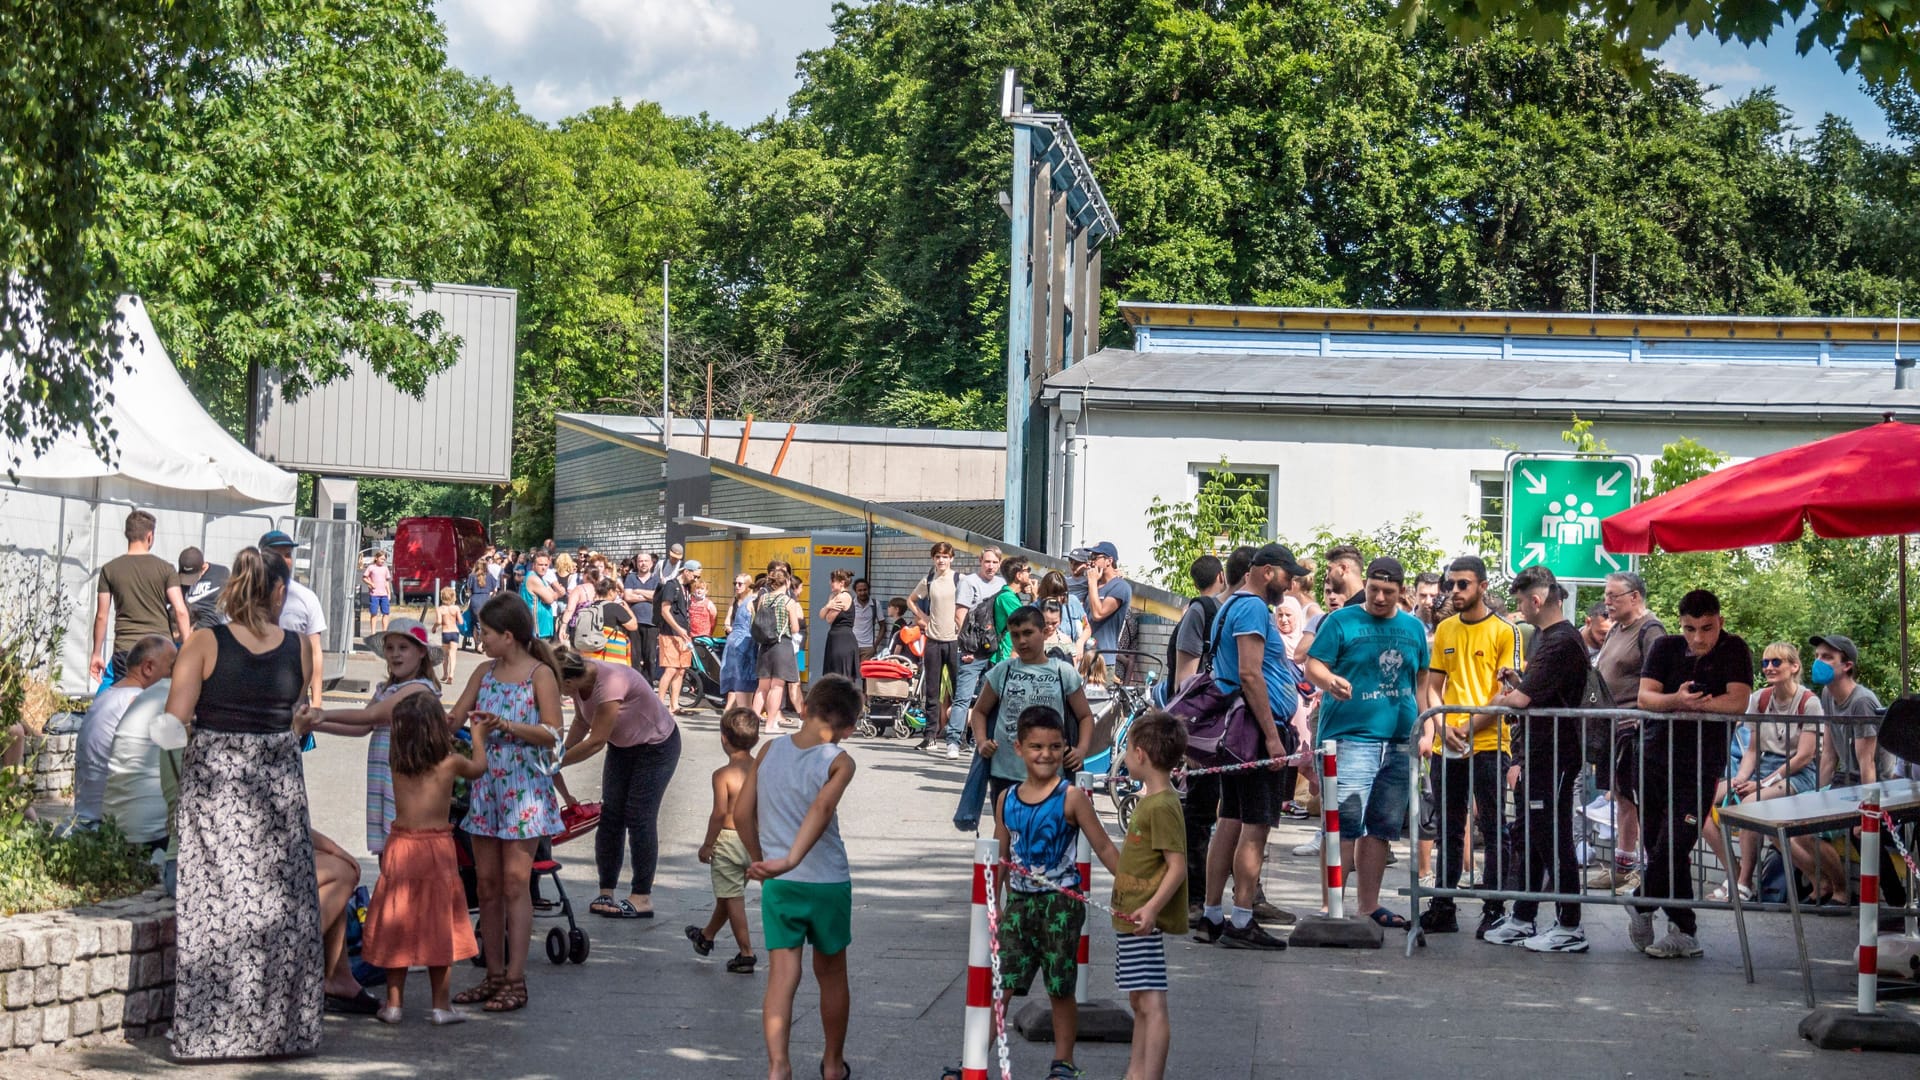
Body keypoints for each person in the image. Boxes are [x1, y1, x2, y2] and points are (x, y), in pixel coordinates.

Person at [163, 546, 324, 1059]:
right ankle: (282, 1030)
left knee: (214, 905)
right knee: (280, 905)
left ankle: (212, 1032)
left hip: (217, 784)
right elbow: (300, 710)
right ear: (279, 591)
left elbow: (172, 724)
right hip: (277, 783)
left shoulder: (205, 641)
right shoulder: (299, 645)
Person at [740, 675, 863, 1080]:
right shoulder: (839, 760)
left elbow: (741, 814)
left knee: (781, 975)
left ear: (804, 707)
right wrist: (792, 859)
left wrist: (764, 862)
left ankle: (778, 1066)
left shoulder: (769, 750)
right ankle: (832, 1064)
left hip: (779, 882)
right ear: (849, 728)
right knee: (832, 975)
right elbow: (822, 809)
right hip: (827, 881)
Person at [448, 592, 565, 1012]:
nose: (480, 639)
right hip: (484, 788)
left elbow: (554, 733)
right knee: (487, 885)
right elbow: (454, 718)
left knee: (517, 884)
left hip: (525, 791)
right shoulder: (483, 672)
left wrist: (507, 726)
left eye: (486, 632)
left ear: (509, 636)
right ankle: (492, 974)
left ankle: (516, 978)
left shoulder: (539, 675)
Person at [995, 706, 1122, 1078]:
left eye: (1054, 746)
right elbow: (1001, 854)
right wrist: (998, 903)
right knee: (1001, 984)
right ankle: (973, 1057)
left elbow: (1104, 847)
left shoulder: (1072, 798)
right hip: (1019, 904)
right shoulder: (1006, 799)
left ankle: (1064, 1062)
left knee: (1059, 986)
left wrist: (1133, 891)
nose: (1045, 754)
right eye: (1036, 746)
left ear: (1065, 747)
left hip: (1060, 905)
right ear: (1018, 748)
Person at [1192, 543, 1308, 951]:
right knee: (1255, 825)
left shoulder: (1231, 605)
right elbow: (1249, 673)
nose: (1290, 583)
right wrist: (1273, 738)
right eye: (1286, 575)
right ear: (1265, 571)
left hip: (1241, 730)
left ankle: (1211, 915)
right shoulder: (1254, 608)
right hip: (1256, 732)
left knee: (1231, 820)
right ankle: (1241, 919)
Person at [1304, 557, 1428, 930]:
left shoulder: (1413, 628)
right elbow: (1313, 665)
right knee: (1343, 823)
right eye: (1374, 589)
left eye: (1388, 592)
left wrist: (1427, 727)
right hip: (1349, 738)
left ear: (1401, 592)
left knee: (1382, 827)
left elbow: (1421, 679)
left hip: (1398, 740)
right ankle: (1333, 905)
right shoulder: (1341, 621)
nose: (1378, 597)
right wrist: (1329, 681)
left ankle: (1368, 905)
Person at [1628, 589, 1753, 960]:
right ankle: (1684, 929)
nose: (1698, 637)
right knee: (1659, 847)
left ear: (1720, 622)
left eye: (1707, 628)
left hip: (1701, 763)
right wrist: (1677, 701)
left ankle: (1641, 901)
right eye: (1690, 628)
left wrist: (1697, 706)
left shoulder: (1734, 649)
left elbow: (1738, 700)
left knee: (1677, 842)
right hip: (1652, 757)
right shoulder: (1664, 647)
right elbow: (1645, 698)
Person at [352, 693, 484, 1025]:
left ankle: (393, 1004)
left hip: (400, 846)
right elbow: (479, 769)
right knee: (439, 924)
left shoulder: (398, 762)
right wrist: (478, 737)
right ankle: (441, 1006)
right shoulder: (450, 762)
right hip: (437, 848)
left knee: (399, 922)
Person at [1482, 566, 1591, 953]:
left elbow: (1526, 700)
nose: (1520, 612)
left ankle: (1570, 926)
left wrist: (1499, 700)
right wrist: (1518, 684)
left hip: (1555, 753)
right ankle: (1524, 916)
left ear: (1537, 599)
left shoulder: (1561, 640)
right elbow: (1536, 690)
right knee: (1531, 832)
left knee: (1552, 835)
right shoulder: (1551, 639)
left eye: (1520, 604)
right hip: (1540, 751)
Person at [1417, 555, 1523, 937]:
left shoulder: (1504, 630)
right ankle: (1442, 904)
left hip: (1491, 743)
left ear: (1482, 586)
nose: (1455, 591)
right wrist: (1443, 725)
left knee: (1494, 827)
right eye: (1451, 584)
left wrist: (1467, 725)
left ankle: (1494, 907)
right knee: (1448, 825)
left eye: (1463, 584)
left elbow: (1504, 690)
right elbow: (1432, 685)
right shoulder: (1445, 629)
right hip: (1450, 745)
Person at [554, 646, 681, 920]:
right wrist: (561, 751)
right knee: (611, 815)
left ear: (567, 681)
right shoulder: (578, 679)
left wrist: (558, 763)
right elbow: (581, 720)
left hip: (656, 745)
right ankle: (606, 891)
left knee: (639, 816)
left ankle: (641, 897)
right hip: (623, 746)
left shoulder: (608, 682)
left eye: (556, 687)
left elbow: (596, 741)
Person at [301, 618, 440, 854]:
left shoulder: (420, 689)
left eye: (403, 648)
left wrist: (321, 714)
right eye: (390, 648)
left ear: (421, 652)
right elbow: (361, 727)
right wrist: (314, 725)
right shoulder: (386, 689)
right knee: (386, 848)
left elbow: (373, 715)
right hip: (382, 778)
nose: (395, 654)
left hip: (404, 778)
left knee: (403, 844)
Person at [1703, 642, 1820, 903]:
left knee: (1750, 805)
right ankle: (1732, 872)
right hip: (1764, 770)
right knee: (1701, 798)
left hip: (1796, 774)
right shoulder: (1759, 699)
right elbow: (1753, 751)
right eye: (1765, 662)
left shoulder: (1809, 703)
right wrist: (1741, 778)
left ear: (1794, 666)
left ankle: (1744, 883)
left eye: (1776, 662)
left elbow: (1804, 756)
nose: (1769, 667)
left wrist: (1762, 783)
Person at [1110, 709, 1189, 1080]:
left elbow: (1177, 866)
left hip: (1142, 919)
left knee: (1152, 1002)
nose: (1126, 757)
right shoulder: (1153, 801)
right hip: (1132, 917)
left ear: (1140, 754)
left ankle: (1147, 1074)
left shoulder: (1161, 806)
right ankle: (1136, 1071)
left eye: (1127, 749)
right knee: (1139, 998)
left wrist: (1152, 909)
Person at [968, 606, 1097, 809]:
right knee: (1007, 833)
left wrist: (1081, 750)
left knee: (1047, 834)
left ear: (1045, 632)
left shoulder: (1063, 672)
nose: (1022, 641)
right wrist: (982, 741)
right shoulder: (1003, 671)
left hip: (1051, 774)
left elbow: (1085, 717)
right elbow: (979, 712)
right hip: (1005, 773)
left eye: (1028, 633)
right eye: (1015, 635)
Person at [1587, 570, 1665, 895]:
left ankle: (1647, 872)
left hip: (1637, 732)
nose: (1607, 603)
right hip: (1613, 730)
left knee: (1639, 798)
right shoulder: (1617, 628)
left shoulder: (1651, 631)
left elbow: (1663, 680)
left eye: (1613, 596)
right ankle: (1623, 868)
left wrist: (1643, 718)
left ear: (1634, 597)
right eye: (1606, 596)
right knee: (1621, 797)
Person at [1795, 633, 1886, 904]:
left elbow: (1869, 764)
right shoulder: (1827, 694)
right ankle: (1827, 885)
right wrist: (1814, 794)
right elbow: (1830, 754)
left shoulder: (1861, 701)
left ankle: (1843, 890)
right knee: (1796, 819)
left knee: (1819, 830)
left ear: (1847, 665)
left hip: (1872, 783)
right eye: (1817, 657)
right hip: (1844, 780)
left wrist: (1867, 812)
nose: (1819, 662)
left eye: (1827, 657)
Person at [688, 706, 763, 973]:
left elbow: (720, 813)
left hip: (729, 840)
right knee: (729, 893)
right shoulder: (760, 770)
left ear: (723, 738)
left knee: (733, 898)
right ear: (755, 740)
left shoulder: (722, 775)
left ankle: (746, 952)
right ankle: (706, 937)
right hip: (754, 840)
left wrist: (708, 844)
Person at [75, 635, 176, 826]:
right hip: (110, 826)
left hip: (87, 817)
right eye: (172, 667)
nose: (175, 675)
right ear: (148, 667)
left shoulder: (107, 696)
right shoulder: (138, 703)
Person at [91, 509, 176, 686]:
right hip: (160, 648)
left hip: (126, 650)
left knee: (126, 705)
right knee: (159, 705)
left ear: (126, 534)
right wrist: (188, 651)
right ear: (150, 536)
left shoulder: (109, 569)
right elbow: (181, 611)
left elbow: (101, 616)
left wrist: (96, 653)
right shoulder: (166, 569)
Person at [936, 546, 1004, 755]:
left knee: (987, 698)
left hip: (995, 650)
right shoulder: (969, 582)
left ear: (999, 564)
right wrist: (966, 646)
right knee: (963, 697)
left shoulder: (1003, 585)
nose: (990, 566)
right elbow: (960, 616)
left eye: (994, 562)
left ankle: (978, 738)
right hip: (973, 650)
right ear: (980, 561)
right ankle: (954, 741)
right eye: (987, 562)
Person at [260, 530, 328, 709]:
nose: (284, 560)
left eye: (288, 555)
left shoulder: (306, 597)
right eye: (277, 555)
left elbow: (315, 651)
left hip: (294, 697)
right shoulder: (245, 595)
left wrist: (317, 701)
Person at [755, 566, 804, 729]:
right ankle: (770, 723)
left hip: (764, 646)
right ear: (787, 582)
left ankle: (752, 723)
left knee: (762, 687)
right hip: (782, 646)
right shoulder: (789, 601)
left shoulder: (763, 599)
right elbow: (796, 628)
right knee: (777, 686)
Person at [1167, 555, 1226, 688]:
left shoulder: (1192, 610)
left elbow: (1183, 678)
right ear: (1221, 576)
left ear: (1195, 584)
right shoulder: (1229, 609)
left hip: (1198, 697)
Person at [656, 559, 701, 716]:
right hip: (670, 633)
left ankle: (674, 705)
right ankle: (659, 704)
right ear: (686, 571)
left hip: (684, 634)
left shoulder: (687, 588)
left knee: (681, 670)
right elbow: (665, 611)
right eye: (695, 576)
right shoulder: (671, 585)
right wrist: (678, 629)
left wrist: (685, 632)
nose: (696, 580)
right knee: (670, 669)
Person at [1084, 541, 1133, 665]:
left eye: (1095, 557)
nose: (1091, 561)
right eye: (1090, 557)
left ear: (1109, 561)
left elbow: (1098, 614)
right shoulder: (1093, 584)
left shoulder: (1120, 587)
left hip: (1103, 659)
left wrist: (1092, 583)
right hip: (1085, 657)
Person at [167, 547, 229, 641]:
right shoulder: (177, 580)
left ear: (203, 568)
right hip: (185, 631)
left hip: (211, 632)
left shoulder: (221, 573)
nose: (187, 582)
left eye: (191, 577)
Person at [721, 574, 762, 710]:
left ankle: (735, 711)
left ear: (749, 585)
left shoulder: (750, 601)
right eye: (735, 583)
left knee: (741, 680)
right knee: (741, 679)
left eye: (740, 584)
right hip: (741, 644)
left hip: (741, 643)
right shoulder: (746, 601)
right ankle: (740, 712)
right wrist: (728, 627)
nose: (736, 586)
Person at [624, 552, 662, 681]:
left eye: (646, 561)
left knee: (650, 657)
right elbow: (627, 596)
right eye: (640, 561)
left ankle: (648, 685)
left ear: (651, 564)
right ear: (636, 563)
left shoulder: (656, 579)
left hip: (651, 623)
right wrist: (648, 597)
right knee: (634, 656)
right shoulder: (631, 577)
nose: (643, 563)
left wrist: (639, 591)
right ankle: (635, 685)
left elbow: (657, 597)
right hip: (634, 622)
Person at [988, 557, 1032, 664]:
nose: (1030, 574)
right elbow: (1029, 621)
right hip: (1006, 656)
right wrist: (1036, 596)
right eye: (1028, 570)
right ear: (1019, 575)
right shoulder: (1007, 598)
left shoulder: (1012, 596)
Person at [818, 568, 860, 682]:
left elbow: (829, 618)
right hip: (834, 637)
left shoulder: (843, 596)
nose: (830, 583)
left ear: (841, 583)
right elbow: (821, 615)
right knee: (832, 675)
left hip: (843, 639)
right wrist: (828, 606)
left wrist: (828, 608)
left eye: (833, 581)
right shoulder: (833, 596)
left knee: (841, 674)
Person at [520, 551, 563, 643]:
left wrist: (554, 594)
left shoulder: (540, 578)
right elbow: (550, 599)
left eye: (546, 565)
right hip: (537, 629)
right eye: (540, 565)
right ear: (534, 565)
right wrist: (558, 594)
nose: (543, 568)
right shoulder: (533, 578)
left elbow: (551, 594)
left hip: (543, 626)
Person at [849, 578, 885, 662]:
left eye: (865, 590)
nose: (862, 593)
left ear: (868, 590)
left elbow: (882, 626)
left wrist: (875, 645)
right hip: (852, 646)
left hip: (868, 647)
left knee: (864, 673)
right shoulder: (851, 604)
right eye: (859, 590)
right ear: (855, 591)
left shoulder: (875, 604)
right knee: (851, 673)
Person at [435, 587, 463, 683]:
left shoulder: (440, 609)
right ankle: (451, 674)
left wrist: (434, 627)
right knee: (453, 654)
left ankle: (445, 674)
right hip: (454, 632)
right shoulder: (456, 608)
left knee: (445, 655)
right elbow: (460, 621)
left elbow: (438, 621)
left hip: (445, 633)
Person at [363, 550, 393, 633]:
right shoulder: (371, 567)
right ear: (376, 558)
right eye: (381, 559)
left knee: (386, 613)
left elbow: (387, 582)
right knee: (374, 613)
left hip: (384, 594)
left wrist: (389, 593)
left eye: (384, 559)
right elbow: (365, 578)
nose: (383, 561)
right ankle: (373, 632)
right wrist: (370, 583)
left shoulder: (385, 569)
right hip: (374, 594)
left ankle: (384, 632)